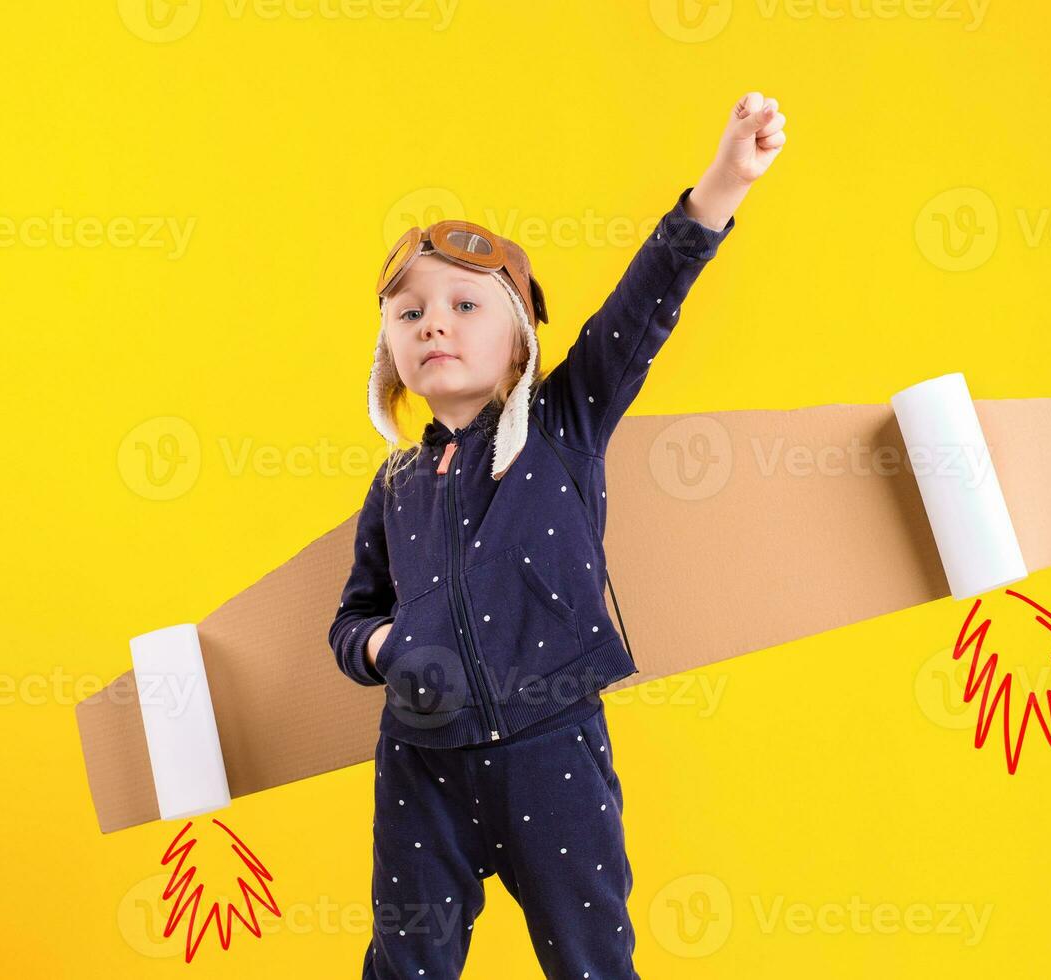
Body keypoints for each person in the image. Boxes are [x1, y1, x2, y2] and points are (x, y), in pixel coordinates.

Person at [329, 91, 787, 979]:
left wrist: (724, 180)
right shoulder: (392, 487)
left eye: (466, 306)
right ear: (391, 355)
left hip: (553, 752)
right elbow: (350, 620)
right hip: (420, 763)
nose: (434, 324)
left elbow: (646, 302)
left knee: (591, 961)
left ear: (518, 343)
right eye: (411, 314)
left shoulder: (564, 425)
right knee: (403, 962)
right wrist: (383, 644)